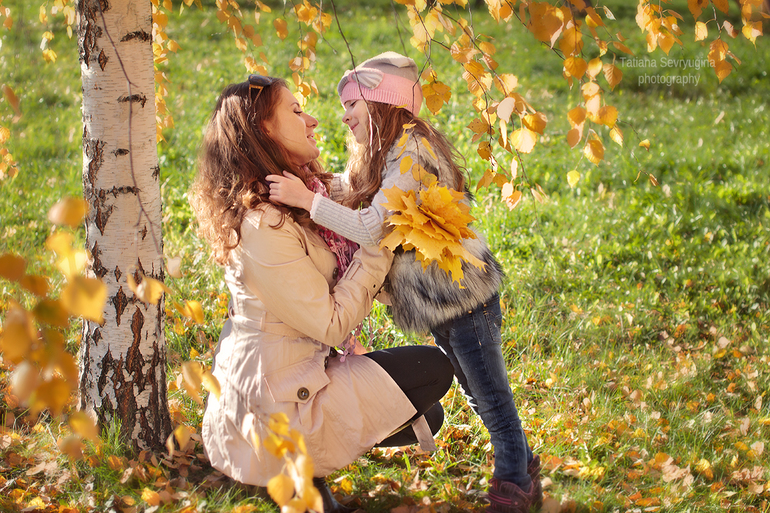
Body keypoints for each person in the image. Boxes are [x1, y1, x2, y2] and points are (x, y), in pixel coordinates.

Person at [266, 53, 543, 513]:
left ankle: (515, 483)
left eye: (352, 103)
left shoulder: (412, 153)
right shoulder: (387, 154)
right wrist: (311, 185)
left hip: (462, 298)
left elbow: (372, 225)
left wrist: (306, 202)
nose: (343, 114)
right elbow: (353, 189)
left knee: (491, 396)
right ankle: (523, 460)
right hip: (440, 303)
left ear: (381, 103)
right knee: (479, 393)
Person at [190, 75, 454, 513]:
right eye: (295, 111)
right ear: (264, 131)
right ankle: (294, 469)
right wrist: (379, 248)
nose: (312, 120)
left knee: (427, 416)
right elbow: (331, 323)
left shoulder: (302, 193)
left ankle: (309, 474)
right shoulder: (262, 226)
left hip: (296, 377)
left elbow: (365, 200)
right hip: (268, 410)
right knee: (431, 370)